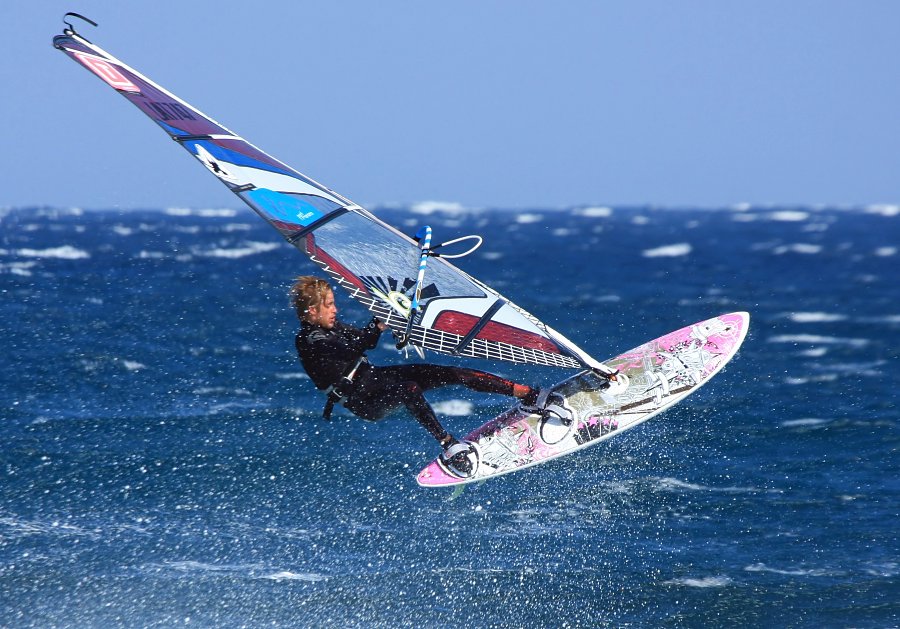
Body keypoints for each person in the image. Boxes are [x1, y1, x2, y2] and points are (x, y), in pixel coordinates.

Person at [290, 275, 539, 477]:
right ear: (312, 311)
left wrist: (390, 320)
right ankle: (449, 444)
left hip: (376, 379)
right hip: (363, 401)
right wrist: (378, 324)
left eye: (334, 303)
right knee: (408, 388)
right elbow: (357, 345)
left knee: (452, 373)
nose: (335, 309)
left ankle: (528, 394)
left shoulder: (332, 327)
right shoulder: (310, 340)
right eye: (329, 305)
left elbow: (362, 339)